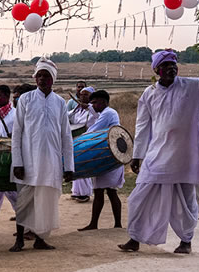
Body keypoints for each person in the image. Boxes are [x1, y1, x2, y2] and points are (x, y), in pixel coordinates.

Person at [120, 50, 199, 254]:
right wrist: (137, 155)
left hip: (185, 156)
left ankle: (186, 241)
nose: (172, 69)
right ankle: (134, 238)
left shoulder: (193, 85)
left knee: (186, 200)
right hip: (157, 155)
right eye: (166, 66)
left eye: (174, 66)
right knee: (140, 195)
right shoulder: (149, 93)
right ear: (157, 70)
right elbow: (143, 125)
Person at [10, 58, 75, 251]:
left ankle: (40, 239)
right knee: (24, 202)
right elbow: (17, 133)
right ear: (35, 78)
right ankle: (19, 239)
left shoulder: (59, 103)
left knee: (46, 203)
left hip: (51, 162)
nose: (42, 79)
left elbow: (66, 136)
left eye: (46, 76)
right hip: (28, 162)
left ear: (53, 79)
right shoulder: (26, 99)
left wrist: (69, 166)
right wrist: (18, 163)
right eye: (39, 76)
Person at [77, 90, 124, 230]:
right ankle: (111, 224)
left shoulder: (108, 113)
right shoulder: (107, 112)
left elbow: (94, 130)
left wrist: (77, 140)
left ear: (103, 102)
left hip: (109, 155)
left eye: (95, 102)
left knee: (106, 191)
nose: (93, 105)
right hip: (109, 154)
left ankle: (101, 224)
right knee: (107, 191)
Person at [0, 85, 17, 235]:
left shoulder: (15, 114)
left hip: (11, 158)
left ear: (7, 96)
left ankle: (24, 225)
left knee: (14, 194)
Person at [68, 86, 98, 202]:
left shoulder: (94, 109)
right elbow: (67, 116)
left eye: (86, 94)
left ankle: (84, 193)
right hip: (76, 139)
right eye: (81, 94)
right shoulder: (77, 108)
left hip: (88, 139)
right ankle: (77, 192)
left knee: (83, 164)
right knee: (75, 164)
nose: (82, 96)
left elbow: (97, 117)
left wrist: (89, 108)